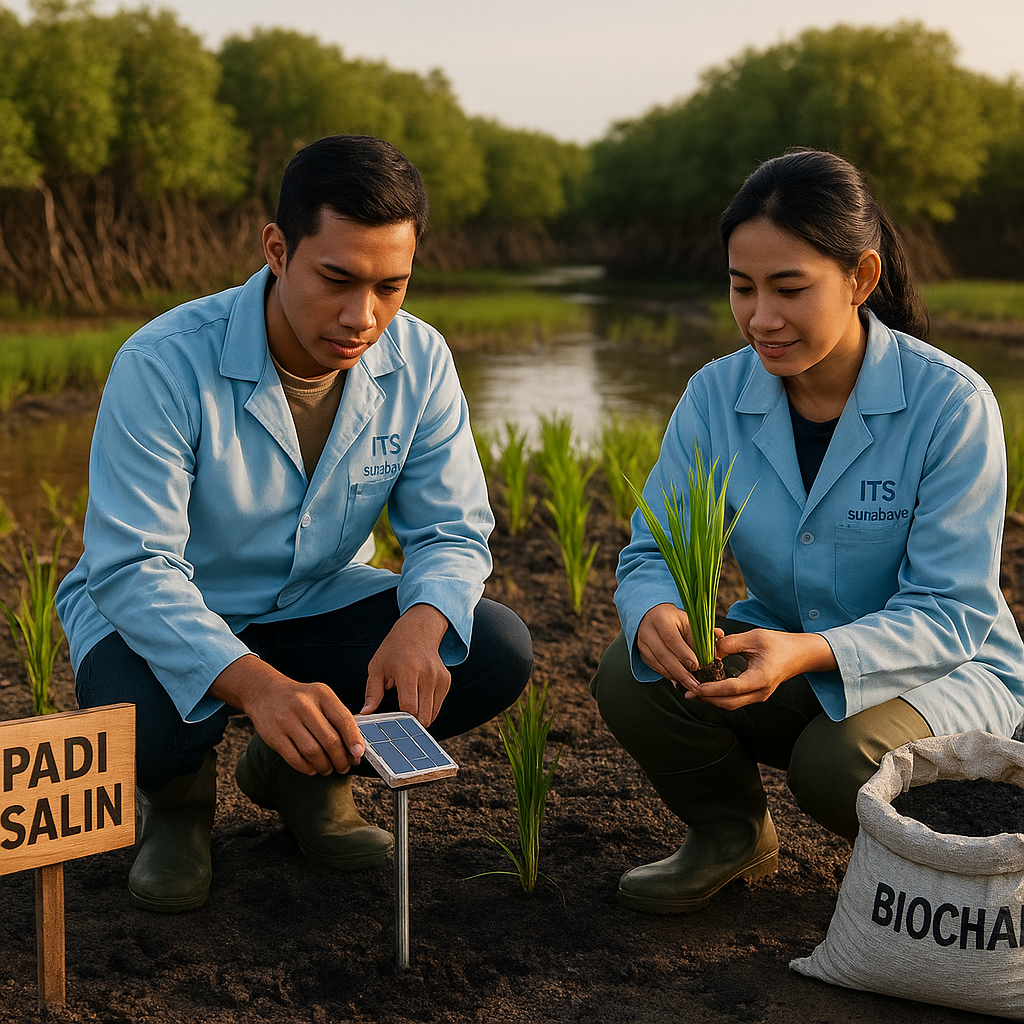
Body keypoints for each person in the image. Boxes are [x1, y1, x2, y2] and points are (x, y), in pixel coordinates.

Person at [56, 135, 533, 914]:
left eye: (392, 286)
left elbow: (450, 527)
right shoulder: (165, 361)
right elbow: (134, 567)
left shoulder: (422, 358)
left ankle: (306, 776)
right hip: (164, 609)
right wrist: (261, 689)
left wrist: (421, 619)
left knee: (489, 644)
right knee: (145, 729)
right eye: (336, 279)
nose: (363, 316)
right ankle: (177, 809)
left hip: (315, 596)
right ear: (276, 249)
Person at [591, 149, 1024, 916]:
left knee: (838, 765)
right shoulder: (714, 396)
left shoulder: (950, 404)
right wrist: (655, 610)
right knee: (637, 675)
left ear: (861, 277)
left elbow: (952, 611)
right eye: (742, 287)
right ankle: (730, 837)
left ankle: (945, 874)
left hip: (943, 669)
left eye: (789, 288)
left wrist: (813, 653)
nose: (762, 317)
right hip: (783, 648)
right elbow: (654, 547)